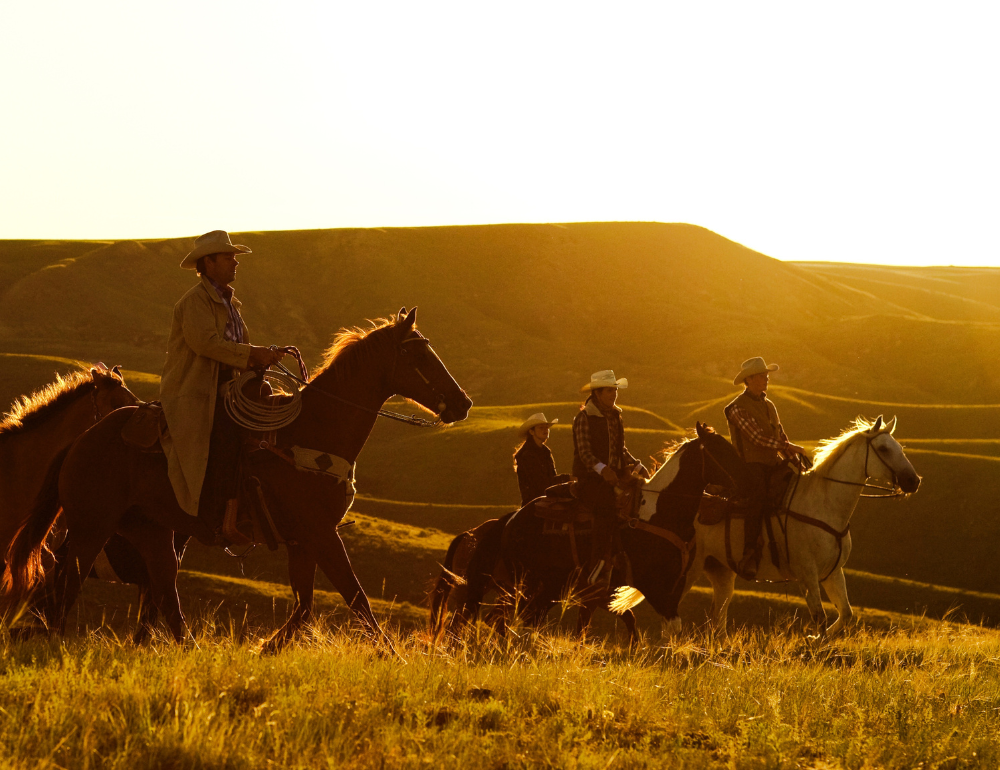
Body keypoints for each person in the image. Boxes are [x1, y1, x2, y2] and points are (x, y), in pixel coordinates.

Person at [159, 230, 286, 544]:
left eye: (234, 257)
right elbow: (207, 344)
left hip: (227, 390)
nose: (235, 263)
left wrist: (259, 357)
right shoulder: (193, 303)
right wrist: (251, 354)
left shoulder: (230, 303)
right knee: (229, 435)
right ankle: (222, 518)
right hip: (196, 392)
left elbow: (232, 346)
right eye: (228, 257)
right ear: (209, 262)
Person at [724, 356, 809, 579]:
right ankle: (749, 552)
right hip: (750, 465)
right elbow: (757, 438)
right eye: (762, 376)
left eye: (766, 376)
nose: (766, 379)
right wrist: (790, 447)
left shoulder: (769, 405)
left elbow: (779, 434)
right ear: (749, 380)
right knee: (758, 495)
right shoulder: (736, 408)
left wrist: (793, 457)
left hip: (771, 462)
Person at [572, 370, 647, 585]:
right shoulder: (584, 418)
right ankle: (596, 565)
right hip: (591, 479)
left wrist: (637, 465)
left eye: (615, 390)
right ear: (597, 393)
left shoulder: (614, 416)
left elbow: (619, 448)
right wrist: (603, 470)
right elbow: (585, 453)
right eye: (609, 391)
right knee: (605, 509)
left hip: (614, 475)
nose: (613, 394)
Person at [513, 413, 571, 506]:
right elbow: (542, 483)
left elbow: (551, 478)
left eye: (546, 428)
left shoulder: (545, 452)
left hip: (546, 499)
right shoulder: (527, 455)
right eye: (541, 428)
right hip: (533, 503)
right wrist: (567, 478)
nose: (545, 430)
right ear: (531, 432)